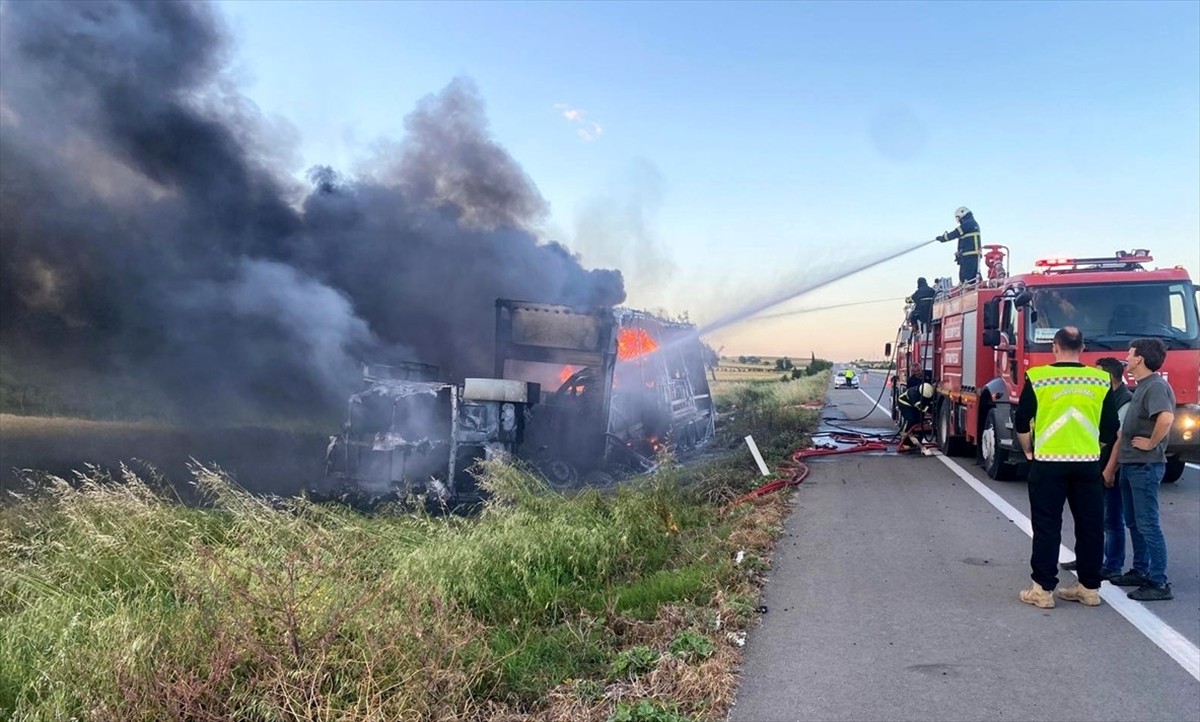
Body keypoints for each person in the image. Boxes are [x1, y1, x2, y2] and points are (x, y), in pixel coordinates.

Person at [1014, 327, 1118, 609]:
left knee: (1047, 525)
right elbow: (1110, 426)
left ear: (1055, 347)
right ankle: (1089, 588)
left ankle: (1043, 590)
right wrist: (1096, 448)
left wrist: (1027, 449)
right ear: (1082, 348)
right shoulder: (1100, 379)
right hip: (1087, 463)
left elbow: (1022, 420)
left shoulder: (1038, 377)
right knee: (1091, 526)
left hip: (1048, 463)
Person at [1102, 338, 1176, 601]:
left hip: (1145, 465)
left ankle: (1158, 581)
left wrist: (1151, 443)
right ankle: (1140, 570)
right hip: (1132, 465)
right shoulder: (1143, 386)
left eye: (1130, 354)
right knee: (1134, 522)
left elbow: (1166, 417)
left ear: (1140, 360)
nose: (1127, 358)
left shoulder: (1155, 386)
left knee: (1148, 524)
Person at [1062, 357, 1132, 578]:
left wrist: (1109, 469)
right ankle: (1087, 558)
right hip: (1095, 463)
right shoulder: (1104, 395)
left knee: (1112, 519)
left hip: (1110, 467)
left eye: (1097, 373)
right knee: (1091, 518)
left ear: (1108, 377)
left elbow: (1119, 439)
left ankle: (1113, 565)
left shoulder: (1124, 399)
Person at [935, 207, 982, 285]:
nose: (958, 220)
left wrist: (942, 238)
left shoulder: (968, 223)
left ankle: (967, 289)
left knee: (966, 277)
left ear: (963, 213)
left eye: (958, 217)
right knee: (973, 276)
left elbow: (955, 233)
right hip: (972, 255)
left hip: (969, 255)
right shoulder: (972, 223)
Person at [896, 377, 934, 455]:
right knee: (910, 420)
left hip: (912, 404)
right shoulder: (914, 395)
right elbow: (922, 407)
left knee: (919, 420)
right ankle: (904, 437)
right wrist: (931, 411)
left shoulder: (925, 389)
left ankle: (916, 437)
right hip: (904, 403)